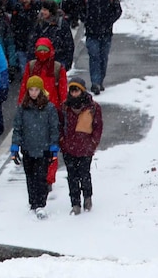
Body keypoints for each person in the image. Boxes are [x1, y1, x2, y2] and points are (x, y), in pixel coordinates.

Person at [10, 76, 60, 220]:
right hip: (28, 148)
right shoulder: (23, 108)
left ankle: (40, 203)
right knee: (30, 176)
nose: (33, 93)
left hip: (43, 149)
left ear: (41, 90)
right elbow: (17, 128)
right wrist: (15, 147)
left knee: (41, 177)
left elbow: (53, 129)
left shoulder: (49, 108)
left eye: (36, 90)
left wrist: (53, 147)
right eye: (31, 90)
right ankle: (33, 202)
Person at [60, 77, 103, 215]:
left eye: (76, 90)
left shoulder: (93, 107)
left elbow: (97, 127)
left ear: (82, 91)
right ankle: (75, 203)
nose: (74, 93)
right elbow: (59, 126)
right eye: (72, 90)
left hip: (85, 148)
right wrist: (62, 141)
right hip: (69, 148)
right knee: (72, 176)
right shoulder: (65, 107)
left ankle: (87, 197)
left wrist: (93, 143)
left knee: (84, 174)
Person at [83, 0, 122, 94]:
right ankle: (95, 83)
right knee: (94, 57)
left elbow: (118, 10)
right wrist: (87, 21)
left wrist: (109, 22)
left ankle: (100, 80)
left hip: (106, 33)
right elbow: (80, 9)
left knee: (103, 58)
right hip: (91, 33)